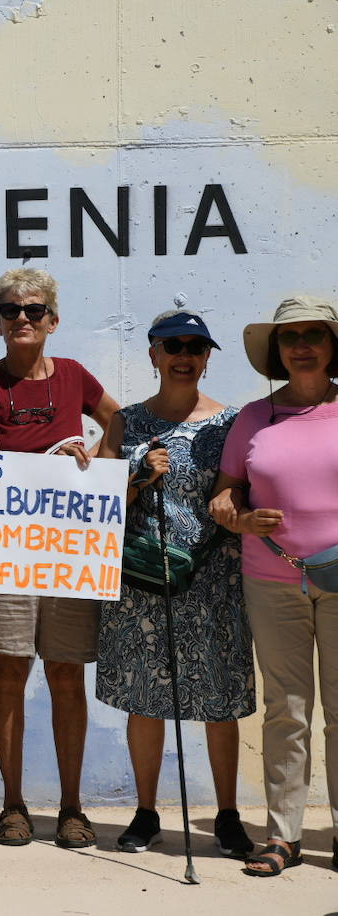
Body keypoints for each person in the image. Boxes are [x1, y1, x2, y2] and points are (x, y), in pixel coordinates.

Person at [0, 267, 118, 849]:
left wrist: (97, 459)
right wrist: (55, 450)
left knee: (67, 675)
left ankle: (72, 808)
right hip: (4, 550)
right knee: (8, 672)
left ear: (54, 319)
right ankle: (14, 807)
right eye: (11, 310)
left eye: (35, 309)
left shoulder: (74, 376)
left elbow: (118, 420)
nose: (23, 318)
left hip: (68, 548)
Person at [95, 310, 255, 857]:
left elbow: (246, 492)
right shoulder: (127, 423)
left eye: (194, 346)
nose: (183, 355)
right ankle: (145, 813)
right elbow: (98, 504)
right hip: (143, 578)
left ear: (207, 357)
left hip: (212, 580)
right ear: (154, 355)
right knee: (144, 700)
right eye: (172, 345)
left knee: (219, 701)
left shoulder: (232, 423)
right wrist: (138, 475)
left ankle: (228, 815)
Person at [211, 295, 338, 877]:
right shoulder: (252, 419)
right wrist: (238, 517)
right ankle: (283, 837)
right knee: (285, 710)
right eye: (291, 337)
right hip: (271, 579)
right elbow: (225, 492)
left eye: (315, 333)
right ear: (277, 351)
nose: (302, 344)